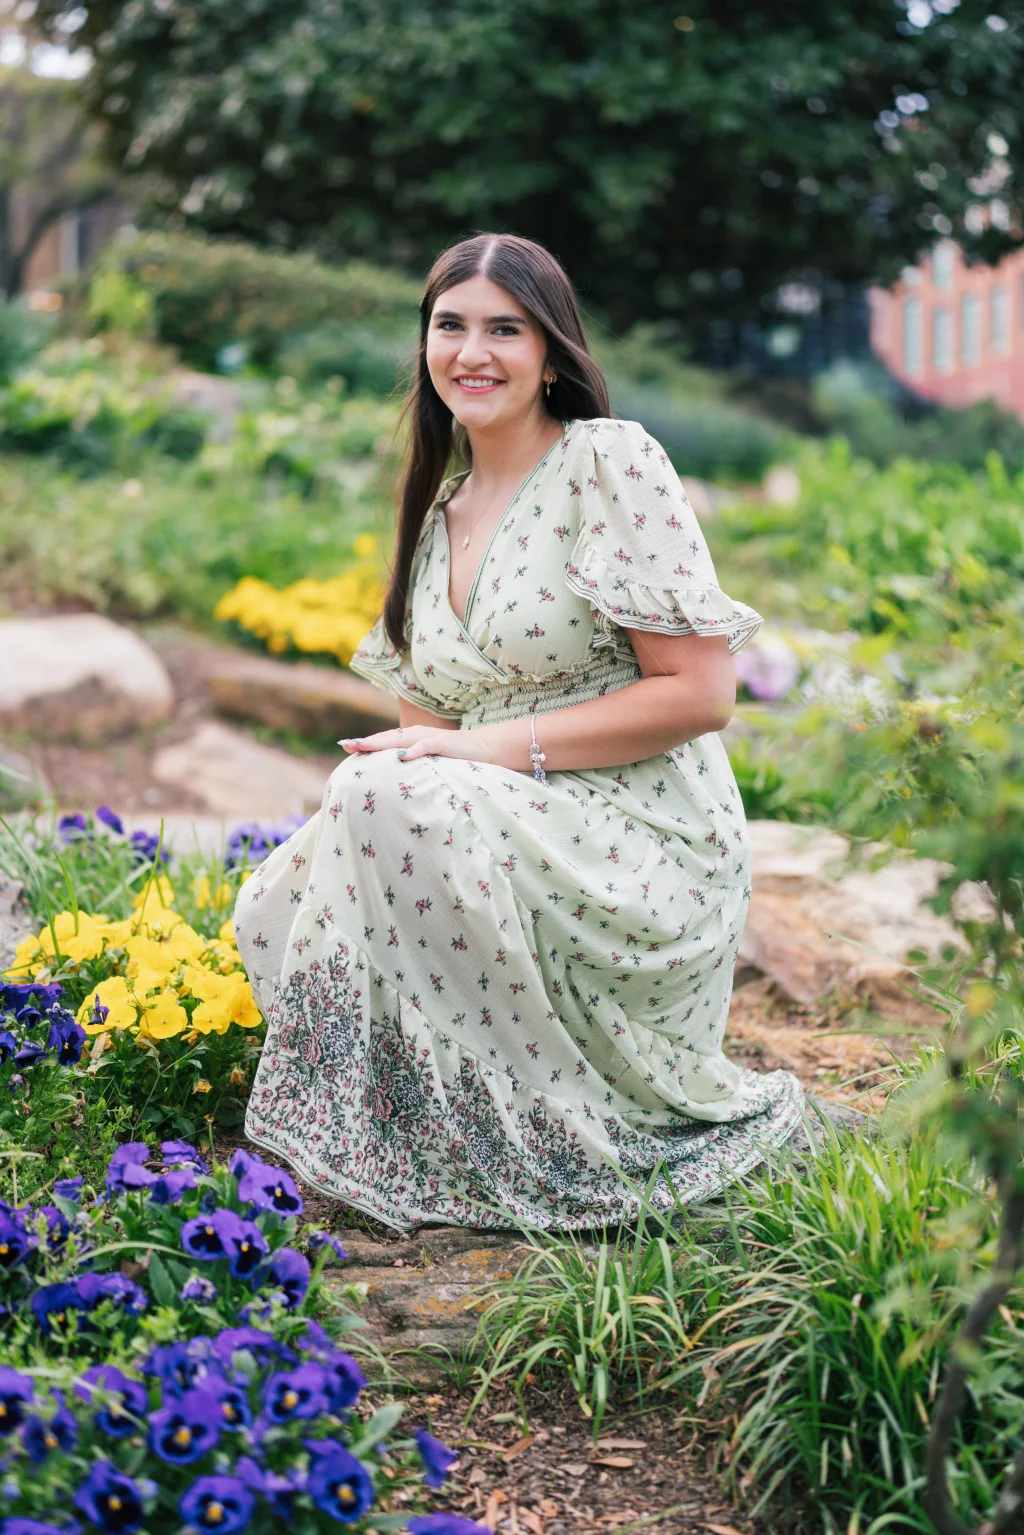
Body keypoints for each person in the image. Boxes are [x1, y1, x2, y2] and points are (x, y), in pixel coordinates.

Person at [234, 232, 804, 1232]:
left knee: (375, 796)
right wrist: (403, 787)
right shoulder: (440, 510)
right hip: (503, 821)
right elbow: (424, 746)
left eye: (506, 327)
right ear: (424, 346)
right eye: (449, 326)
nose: (473, 351)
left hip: (637, 834)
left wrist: (477, 750)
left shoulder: (608, 462)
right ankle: (439, 1124)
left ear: (552, 351)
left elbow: (701, 695)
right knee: (291, 884)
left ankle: (544, 1133)